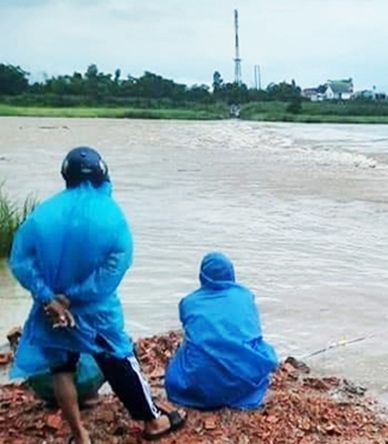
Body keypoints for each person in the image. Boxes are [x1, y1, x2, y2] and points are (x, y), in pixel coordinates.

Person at [9, 146, 186, 443]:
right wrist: (74, 296)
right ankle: (154, 423)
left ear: (67, 176)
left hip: (52, 311)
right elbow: (116, 266)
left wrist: (49, 298)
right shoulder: (112, 216)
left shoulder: (42, 214)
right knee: (119, 360)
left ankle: (80, 434)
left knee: (61, 369)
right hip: (95, 311)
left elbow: (21, 261)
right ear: (103, 174)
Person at [165, 252, 279, 410]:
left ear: (202, 276)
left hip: (201, 385)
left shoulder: (189, 302)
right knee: (260, 350)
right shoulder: (245, 295)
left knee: (182, 361)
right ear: (231, 273)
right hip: (243, 378)